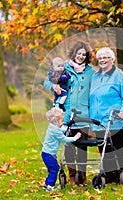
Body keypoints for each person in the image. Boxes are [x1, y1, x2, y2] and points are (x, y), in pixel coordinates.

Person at [44, 41, 95, 185]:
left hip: (83, 113)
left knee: (82, 146)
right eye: (78, 53)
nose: (80, 57)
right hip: (66, 114)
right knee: (69, 146)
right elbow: (46, 81)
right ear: (74, 53)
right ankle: (72, 176)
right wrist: (54, 86)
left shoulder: (90, 71)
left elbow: (100, 82)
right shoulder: (63, 66)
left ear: (87, 57)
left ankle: (83, 176)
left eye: (84, 55)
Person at [89, 47, 123, 183]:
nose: (102, 60)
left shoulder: (118, 75)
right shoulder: (95, 76)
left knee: (116, 147)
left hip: (114, 119)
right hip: (98, 119)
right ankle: (108, 175)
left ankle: (120, 173)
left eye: (105, 57)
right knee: (103, 147)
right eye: (100, 58)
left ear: (112, 60)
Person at [41, 107, 81, 192]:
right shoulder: (55, 130)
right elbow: (64, 138)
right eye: (61, 121)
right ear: (56, 121)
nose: (62, 123)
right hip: (49, 155)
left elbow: (61, 129)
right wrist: (74, 138)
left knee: (52, 169)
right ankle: (50, 186)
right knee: (55, 169)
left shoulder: (52, 127)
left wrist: (66, 127)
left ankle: (46, 184)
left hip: (46, 153)